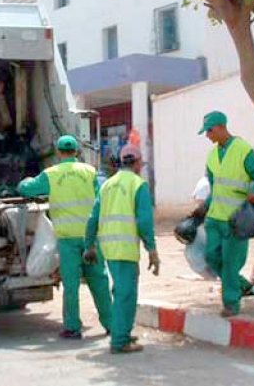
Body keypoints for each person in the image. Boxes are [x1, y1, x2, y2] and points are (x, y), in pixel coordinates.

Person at [18, 135, 112, 340]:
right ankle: (111, 324)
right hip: (91, 238)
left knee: (71, 285)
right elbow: (101, 198)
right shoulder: (90, 172)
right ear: (77, 151)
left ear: (58, 152)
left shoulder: (51, 174)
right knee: (100, 281)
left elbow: (27, 189)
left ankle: (72, 327)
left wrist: (24, 180)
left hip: (68, 240)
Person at [84, 144, 160, 354]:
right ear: (137, 163)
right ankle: (119, 341)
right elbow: (144, 221)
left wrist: (89, 245)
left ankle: (122, 331)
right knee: (126, 294)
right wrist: (152, 250)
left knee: (120, 291)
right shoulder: (138, 185)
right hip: (126, 247)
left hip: (108, 248)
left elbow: (93, 218)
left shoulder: (107, 185)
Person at [194, 111, 254, 317]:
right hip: (214, 218)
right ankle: (241, 284)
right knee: (211, 257)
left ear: (221, 126)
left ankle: (231, 303)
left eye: (209, 130)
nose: (207, 135)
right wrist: (203, 208)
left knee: (229, 261)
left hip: (236, 219)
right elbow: (215, 186)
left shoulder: (243, 149)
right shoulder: (211, 156)